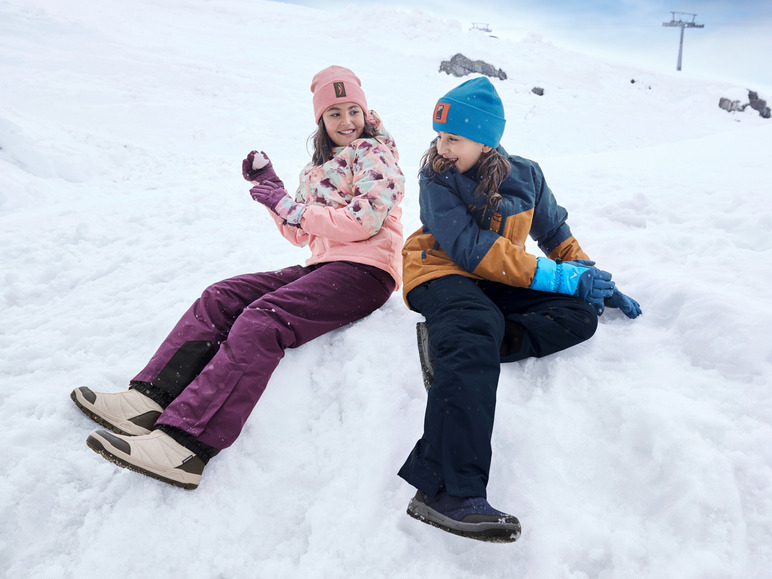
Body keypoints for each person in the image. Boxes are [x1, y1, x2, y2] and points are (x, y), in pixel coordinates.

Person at [71, 65, 405, 490]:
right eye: (334, 113)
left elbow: (365, 219)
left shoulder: (375, 154)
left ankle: (184, 444)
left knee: (265, 319)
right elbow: (299, 233)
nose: (346, 121)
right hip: (323, 266)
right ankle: (147, 401)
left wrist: (291, 207)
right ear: (320, 120)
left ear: (364, 110)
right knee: (223, 297)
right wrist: (274, 191)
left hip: (366, 272)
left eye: (352, 110)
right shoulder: (316, 168)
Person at [398, 77, 641, 542]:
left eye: (454, 138)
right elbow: (470, 249)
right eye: (439, 136)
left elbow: (556, 235)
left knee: (578, 315)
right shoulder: (436, 175)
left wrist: (593, 281)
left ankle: (455, 347)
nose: (441, 147)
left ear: (486, 139)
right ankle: (444, 490)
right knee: (474, 321)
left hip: (496, 279)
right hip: (440, 269)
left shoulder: (526, 175)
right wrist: (557, 276)